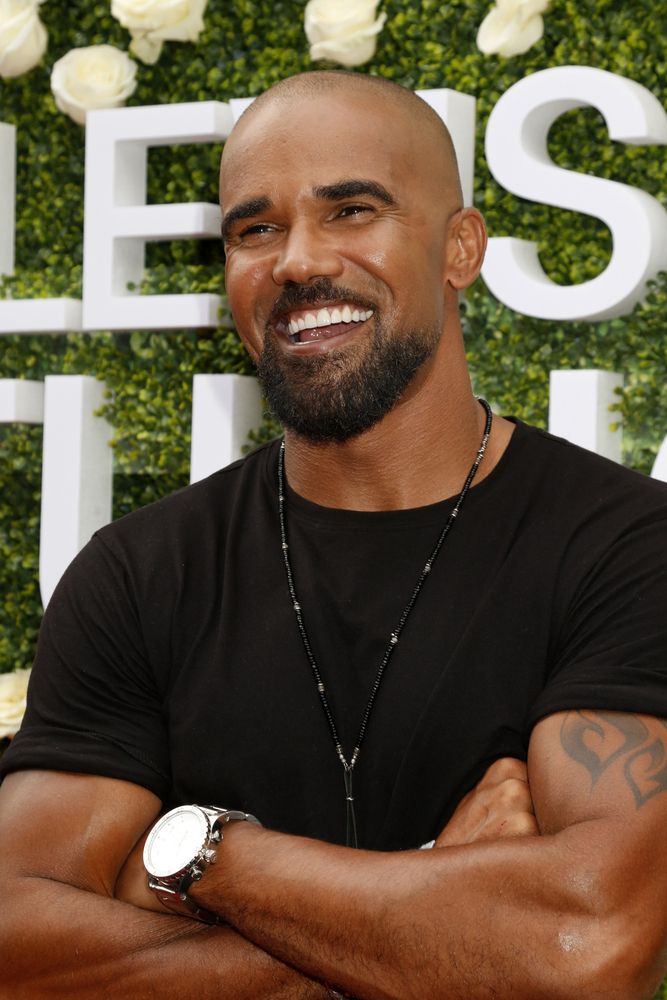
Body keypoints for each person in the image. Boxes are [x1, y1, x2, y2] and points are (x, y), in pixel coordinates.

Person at [1, 70, 666, 999]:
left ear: (460, 247)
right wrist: (440, 897)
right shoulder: (139, 572)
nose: (297, 262)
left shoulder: (630, 547)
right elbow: (18, 948)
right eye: (254, 228)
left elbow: (586, 945)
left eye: (351, 209)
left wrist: (200, 863)